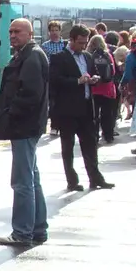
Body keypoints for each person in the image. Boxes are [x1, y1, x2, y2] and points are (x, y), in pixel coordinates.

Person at [0, 17, 50, 247]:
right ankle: (37, 229)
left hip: (24, 126)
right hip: (28, 126)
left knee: (22, 181)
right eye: (10, 32)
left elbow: (30, 94)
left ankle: (22, 232)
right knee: (32, 179)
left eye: (17, 31)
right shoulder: (31, 54)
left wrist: (10, 112)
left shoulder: (32, 56)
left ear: (29, 33)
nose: (12, 35)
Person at [49, 28, 106, 192]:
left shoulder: (87, 57)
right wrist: (77, 81)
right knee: (68, 147)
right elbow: (54, 80)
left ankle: (95, 178)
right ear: (71, 40)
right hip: (67, 109)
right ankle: (72, 180)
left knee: (90, 144)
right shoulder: (59, 58)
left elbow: (94, 74)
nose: (83, 46)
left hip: (86, 108)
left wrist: (94, 79)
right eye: (80, 42)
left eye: (85, 42)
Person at [91, 32, 119, 143]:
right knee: (107, 114)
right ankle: (108, 135)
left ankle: (95, 136)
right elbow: (113, 71)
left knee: (95, 114)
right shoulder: (109, 55)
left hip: (95, 87)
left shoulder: (90, 55)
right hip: (108, 88)